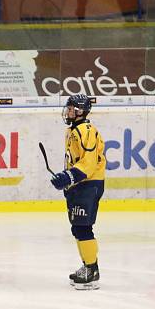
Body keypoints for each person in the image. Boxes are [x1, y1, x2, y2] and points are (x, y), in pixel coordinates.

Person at [50, 94, 105, 290]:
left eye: (72, 108)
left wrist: (69, 177)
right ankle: (88, 266)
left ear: (81, 111)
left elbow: (88, 164)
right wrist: (67, 180)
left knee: (83, 228)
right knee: (78, 228)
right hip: (80, 184)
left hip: (89, 183)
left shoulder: (86, 130)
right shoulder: (73, 130)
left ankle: (92, 269)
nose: (68, 111)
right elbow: (75, 161)